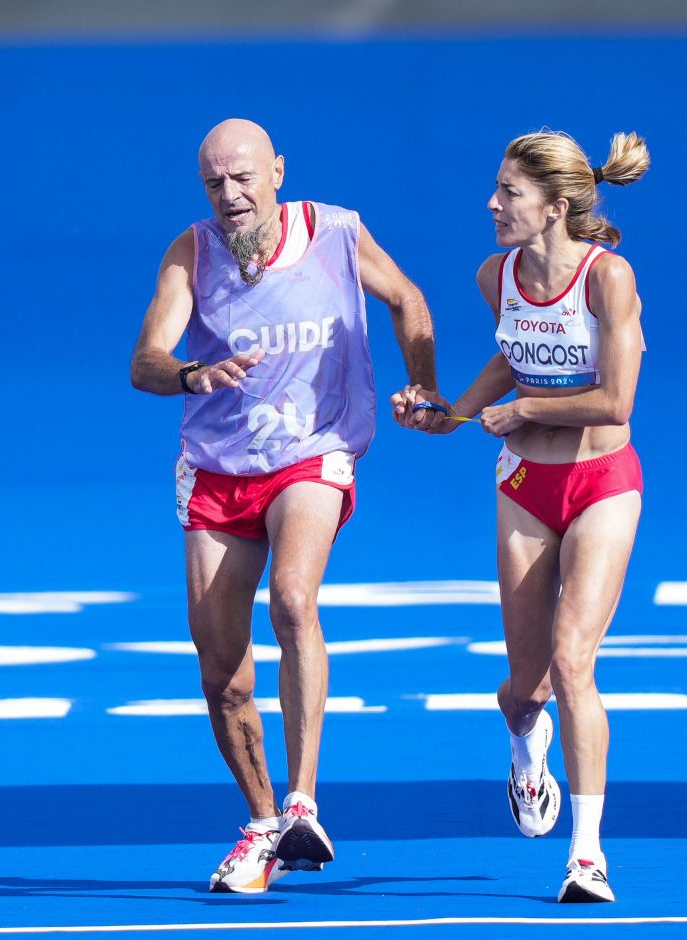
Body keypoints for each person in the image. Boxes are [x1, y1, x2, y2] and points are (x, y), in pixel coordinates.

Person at [133, 118, 446, 893]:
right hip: (216, 469)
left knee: (294, 599)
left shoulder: (336, 232)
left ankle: (304, 800)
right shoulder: (192, 251)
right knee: (221, 672)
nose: (230, 196)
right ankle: (264, 824)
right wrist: (191, 374)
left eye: (243, 178)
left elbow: (408, 299)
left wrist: (424, 381)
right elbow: (145, 360)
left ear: (277, 171)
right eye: (215, 184)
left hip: (312, 451)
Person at [393, 129, 649, 903]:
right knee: (528, 685)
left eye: (509, 192)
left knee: (576, 661)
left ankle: (587, 855)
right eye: (498, 189)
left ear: (555, 207)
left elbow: (615, 399)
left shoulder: (611, 281)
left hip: (603, 480)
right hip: (523, 485)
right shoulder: (493, 276)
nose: (493, 203)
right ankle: (523, 742)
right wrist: (449, 413)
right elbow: (513, 350)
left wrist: (524, 408)